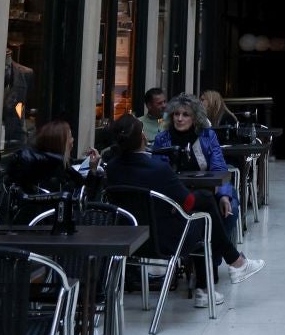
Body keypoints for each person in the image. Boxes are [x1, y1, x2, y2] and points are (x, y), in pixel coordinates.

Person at [105, 116, 262, 308]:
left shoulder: (111, 169)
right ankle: (216, 279)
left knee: (203, 204)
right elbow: (188, 203)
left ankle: (232, 265)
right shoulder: (158, 169)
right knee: (205, 211)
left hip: (128, 239)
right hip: (164, 240)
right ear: (142, 137)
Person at [154, 95, 239, 219]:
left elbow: (219, 168)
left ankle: (215, 238)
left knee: (230, 208)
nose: (179, 119)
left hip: (207, 188)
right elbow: (157, 173)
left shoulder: (208, 136)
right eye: (176, 114)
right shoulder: (162, 138)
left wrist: (224, 196)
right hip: (174, 192)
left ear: (195, 118)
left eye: (185, 115)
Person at [4, 118, 76, 195]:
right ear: (60, 143)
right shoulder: (55, 169)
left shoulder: (44, 163)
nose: (72, 140)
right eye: (70, 137)